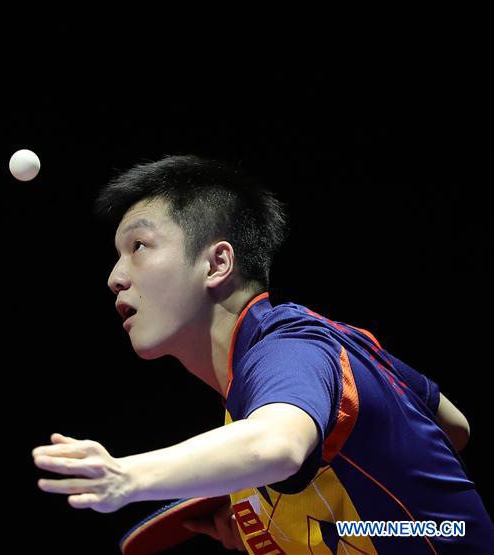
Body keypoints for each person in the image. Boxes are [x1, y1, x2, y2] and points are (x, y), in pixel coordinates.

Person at [32, 155, 493, 553]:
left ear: (217, 263)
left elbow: (276, 445)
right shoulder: (328, 346)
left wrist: (126, 477)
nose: (115, 277)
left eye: (138, 247)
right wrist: (305, 524)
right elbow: (454, 429)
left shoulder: (288, 350)